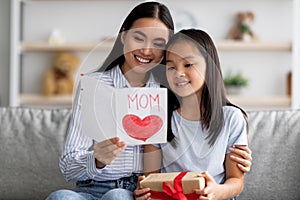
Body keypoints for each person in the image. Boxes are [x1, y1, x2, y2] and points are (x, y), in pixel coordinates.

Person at [47, 2, 251, 199]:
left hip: (136, 189)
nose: (146, 50)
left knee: (117, 196)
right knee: (60, 197)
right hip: (92, 186)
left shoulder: (170, 87)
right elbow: (68, 169)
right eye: (138, 38)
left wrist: (237, 162)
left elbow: (206, 105)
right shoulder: (92, 87)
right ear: (123, 36)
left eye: (158, 43)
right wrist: (96, 160)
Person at [135, 29, 250, 200]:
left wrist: (216, 192)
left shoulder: (232, 118)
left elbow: (236, 181)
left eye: (188, 64)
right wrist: (143, 192)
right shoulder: (158, 118)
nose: (178, 73)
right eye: (171, 67)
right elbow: (150, 178)